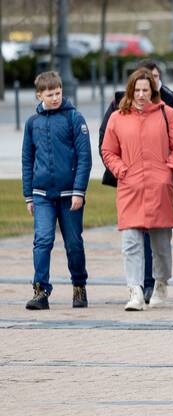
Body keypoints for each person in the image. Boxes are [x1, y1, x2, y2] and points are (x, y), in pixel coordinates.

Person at [99, 59, 173, 305]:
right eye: (136, 90)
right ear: (130, 91)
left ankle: (161, 282)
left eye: (145, 90)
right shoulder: (118, 118)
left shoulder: (167, 113)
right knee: (130, 242)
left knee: (161, 244)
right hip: (130, 187)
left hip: (159, 188)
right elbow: (108, 150)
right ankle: (135, 291)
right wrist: (120, 169)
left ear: (153, 91)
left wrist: (169, 169)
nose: (141, 95)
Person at [22, 71, 92, 310]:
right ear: (39, 94)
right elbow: (27, 159)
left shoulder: (75, 119)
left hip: (69, 195)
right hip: (41, 194)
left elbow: (85, 158)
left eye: (58, 93)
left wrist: (79, 191)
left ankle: (79, 286)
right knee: (42, 240)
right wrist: (28, 195)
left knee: (73, 243)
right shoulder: (33, 123)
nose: (55, 98)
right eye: (50, 94)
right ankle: (41, 291)